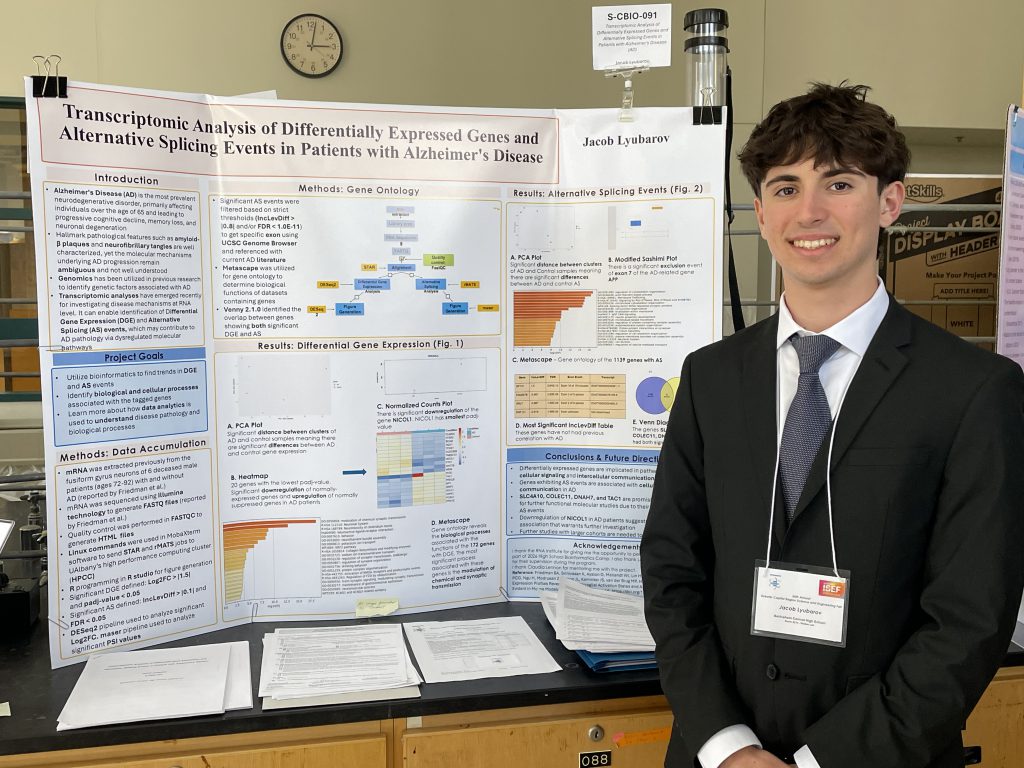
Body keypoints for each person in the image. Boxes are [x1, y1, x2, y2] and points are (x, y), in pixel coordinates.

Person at [641, 82, 1024, 768]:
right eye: (785, 188)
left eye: (838, 183)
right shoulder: (711, 378)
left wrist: (824, 761)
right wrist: (728, 746)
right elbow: (673, 575)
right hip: (719, 754)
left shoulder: (973, 391)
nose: (809, 211)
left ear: (890, 202)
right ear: (759, 213)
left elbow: (969, 621)